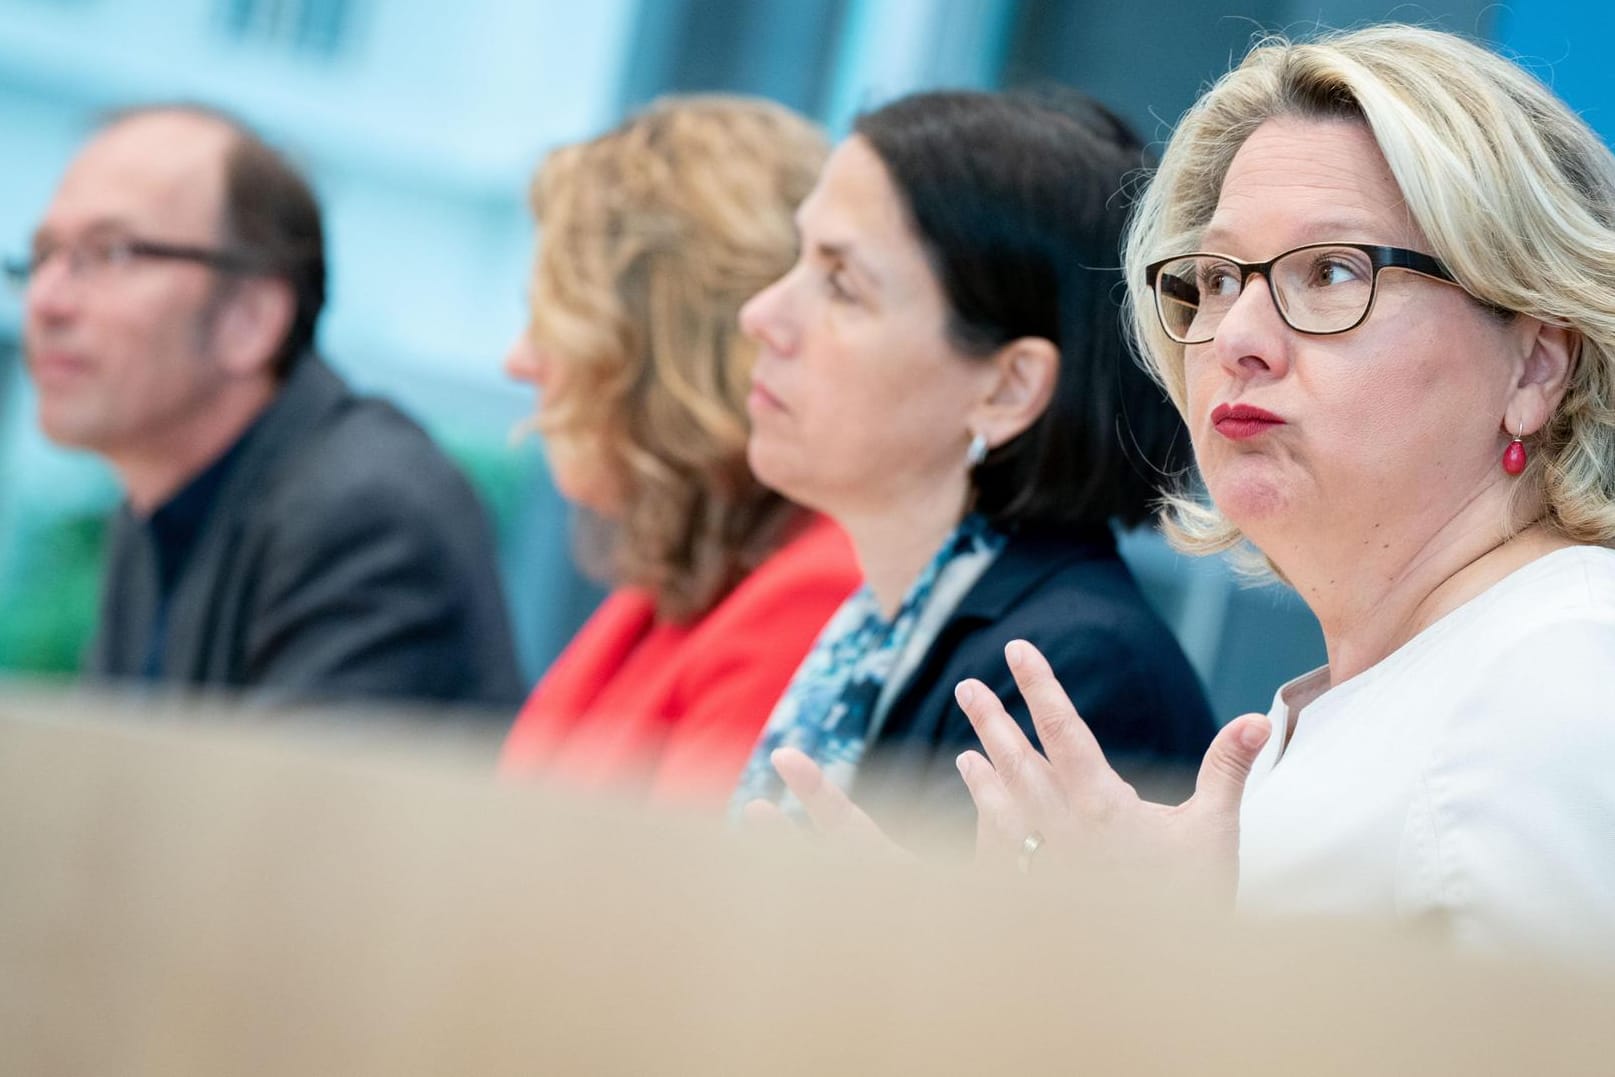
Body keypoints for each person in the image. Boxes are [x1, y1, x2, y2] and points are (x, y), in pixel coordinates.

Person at [772, 27, 1615, 961]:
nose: (1235, 337)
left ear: (1535, 362)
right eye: (1214, 279)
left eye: (1330, 271)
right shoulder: (1398, 680)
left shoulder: (1559, 673)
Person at [730, 90, 1216, 832]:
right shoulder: (888, 617)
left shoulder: (1074, 677)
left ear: (1007, 385)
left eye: (839, 284)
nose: (760, 315)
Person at [11, 105, 523, 708]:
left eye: (113, 253)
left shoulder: (365, 510)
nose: (46, 301)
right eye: (44, 256)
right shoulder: (152, 509)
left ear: (249, 321)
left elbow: (293, 804)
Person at [498, 97, 861, 805]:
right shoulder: (692, 567)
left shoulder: (811, 592)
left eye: (555, 322)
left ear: (666, 350)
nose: (520, 360)